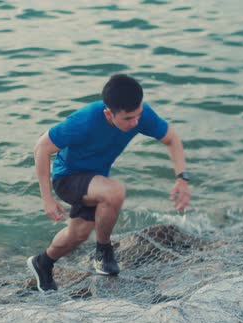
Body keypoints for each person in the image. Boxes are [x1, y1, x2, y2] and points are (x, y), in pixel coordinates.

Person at [27, 74, 191, 292]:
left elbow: (172, 138)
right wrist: (47, 199)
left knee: (77, 235)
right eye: (128, 119)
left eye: (138, 116)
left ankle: (42, 262)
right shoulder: (83, 120)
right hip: (67, 178)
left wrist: (181, 178)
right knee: (115, 191)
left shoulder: (141, 115)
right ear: (108, 113)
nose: (135, 123)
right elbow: (41, 148)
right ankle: (104, 251)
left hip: (96, 182)